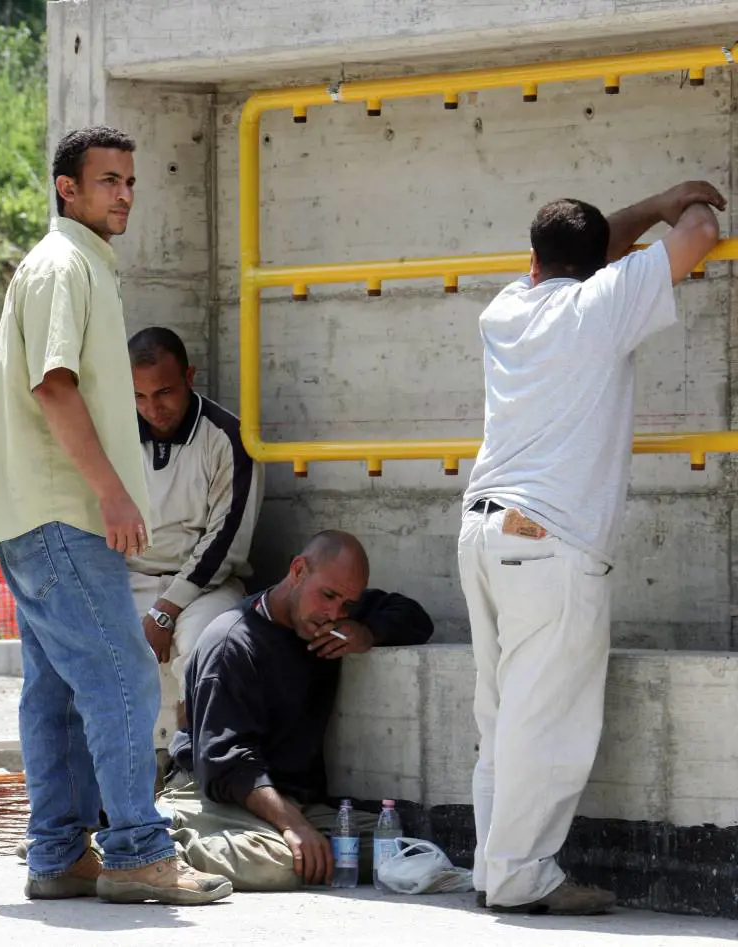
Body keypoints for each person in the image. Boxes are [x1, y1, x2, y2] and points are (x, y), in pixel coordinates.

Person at [0, 126, 231, 906]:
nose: (123, 193)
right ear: (67, 189)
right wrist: (114, 491)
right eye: (107, 180)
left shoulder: (79, 264)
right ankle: (137, 852)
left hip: (41, 512)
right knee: (123, 674)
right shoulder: (64, 266)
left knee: (54, 691)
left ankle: (58, 853)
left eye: (128, 180)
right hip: (61, 512)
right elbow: (55, 386)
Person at [457, 181, 725, 915]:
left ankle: (494, 866)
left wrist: (642, 210)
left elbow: (586, 252)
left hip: (482, 532)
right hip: (548, 544)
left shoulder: (505, 308)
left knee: (503, 717)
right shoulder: (601, 304)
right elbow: (700, 229)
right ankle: (520, 876)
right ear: (600, 260)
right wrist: (678, 202)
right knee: (545, 723)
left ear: (533, 260)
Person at [157, 530, 434, 890]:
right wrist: (295, 827)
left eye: (347, 606)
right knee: (280, 865)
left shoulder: (331, 619)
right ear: (299, 570)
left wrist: (367, 630)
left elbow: (414, 617)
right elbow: (227, 765)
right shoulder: (232, 642)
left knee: (398, 852)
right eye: (329, 596)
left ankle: (287, 841)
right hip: (215, 795)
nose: (333, 613)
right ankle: (161, 842)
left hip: (289, 801)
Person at [127, 327, 263, 753]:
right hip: (130, 578)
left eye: (164, 392)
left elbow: (227, 541)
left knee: (204, 645)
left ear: (190, 376)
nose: (153, 408)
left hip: (207, 585)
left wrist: (166, 611)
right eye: (140, 396)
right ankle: (124, 786)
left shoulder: (230, 437)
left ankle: (194, 762)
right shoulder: (112, 437)